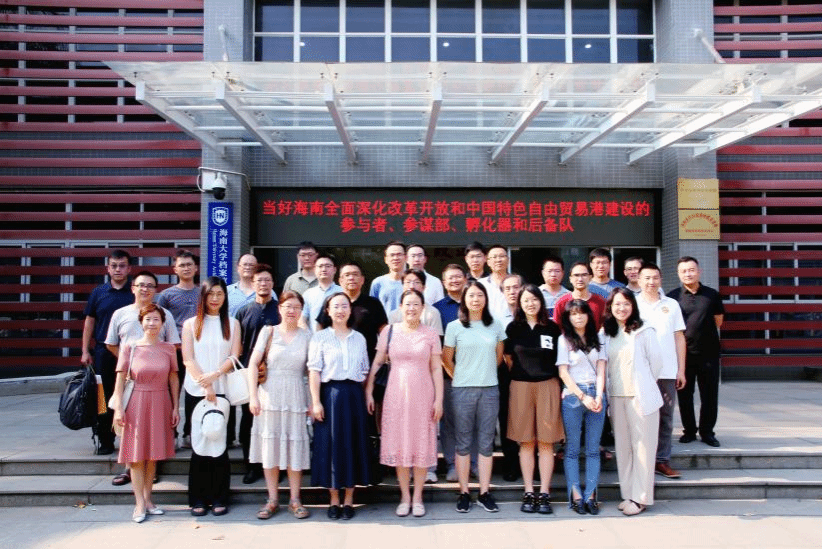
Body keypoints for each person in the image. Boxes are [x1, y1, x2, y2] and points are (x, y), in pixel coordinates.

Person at [365, 289, 444, 518]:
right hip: (396, 394)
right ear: (400, 307)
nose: (411, 308)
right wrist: (369, 390)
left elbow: (436, 368)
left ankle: (418, 497)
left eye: (416, 304)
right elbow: (377, 362)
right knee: (401, 445)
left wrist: (439, 399)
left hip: (423, 394)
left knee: (420, 444)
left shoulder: (430, 334)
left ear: (423, 308)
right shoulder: (389, 331)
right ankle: (405, 497)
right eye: (407, 304)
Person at [105, 270, 180, 486]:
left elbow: (173, 345)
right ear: (133, 288)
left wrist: (151, 362)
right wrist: (131, 363)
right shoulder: (120, 314)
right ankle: (129, 469)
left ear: (156, 290)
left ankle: (150, 471)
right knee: (131, 430)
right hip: (131, 380)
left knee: (154, 429)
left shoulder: (165, 315)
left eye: (149, 285)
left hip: (157, 380)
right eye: (141, 285)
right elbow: (111, 343)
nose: (145, 289)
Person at [111, 304, 179, 523]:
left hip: (161, 400)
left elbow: (173, 378)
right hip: (136, 401)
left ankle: (149, 500)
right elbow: (120, 378)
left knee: (153, 455)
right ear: (141, 322)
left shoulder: (168, 348)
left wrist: (176, 407)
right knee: (137, 456)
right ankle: (139, 503)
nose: (152, 323)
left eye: (156, 319)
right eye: (148, 319)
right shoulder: (130, 347)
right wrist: (118, 407)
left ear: (163, 323)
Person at [247, 291, 311, 520]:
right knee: (270, 446)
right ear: (280, 309)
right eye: (287, 306)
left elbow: (311, 371)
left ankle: (295, 499)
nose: (291, 311)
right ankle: (272, 499)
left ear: (301, 311)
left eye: (296, 307)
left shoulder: (308, 336)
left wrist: (312, 401)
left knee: (295, 445)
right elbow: (253, 364)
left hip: (296, 394)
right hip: (269, 395)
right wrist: (253, 396)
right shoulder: (268, 332)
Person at [442, 280, 506, 514]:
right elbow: (446, 358)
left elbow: (499, 357)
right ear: (464, 300)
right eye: (471, 296)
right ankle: (464, 492)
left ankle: (485, 492)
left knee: (487, 441)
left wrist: (483, 373)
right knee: (463, 441)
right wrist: (461, 376)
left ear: (485, 299)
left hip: (489, 389)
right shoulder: (454, 327)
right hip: (462, 390)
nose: (475, 299)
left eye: (480, 295)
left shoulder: (495, 325)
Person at [181, 276, 242, 517]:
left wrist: (215, 376)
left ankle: (219, 497)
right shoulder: (190, 324)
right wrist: (205, 384)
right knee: (200, 445)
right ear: (203, 296)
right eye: (211, 294)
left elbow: (234, 355)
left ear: (225, 297)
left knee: (219, 444)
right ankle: (197, 498)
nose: (215, 298)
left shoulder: (233, 324)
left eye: (219, 294)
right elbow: (188, 358)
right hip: (196, 391)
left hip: (223, 390)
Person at [308, 292, 372, 520]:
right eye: (335, 306)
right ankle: (334, 499)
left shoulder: (359, 338)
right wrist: (316, 401)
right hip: (330, 395)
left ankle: (349, 500)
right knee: (331, 447)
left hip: (354, 395)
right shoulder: (320, 338)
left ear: (350, 310)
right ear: (327, 310)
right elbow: (314, 371)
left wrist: (365, 395)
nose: (340, 310)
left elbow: (364, 370)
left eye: (344, 306)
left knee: (352, 445)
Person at [602, 287, 663, 517]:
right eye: (617, 304)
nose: (622, 308)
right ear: (610, 307)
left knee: (643, 449)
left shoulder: (644, 330)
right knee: (623, 448)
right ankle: (628, 494)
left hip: (640, 398)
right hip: (616, 397)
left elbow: (656, 364)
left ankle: (641, 498)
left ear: (633, 307)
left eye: (626, 304)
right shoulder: (606, 333)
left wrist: (644, 385)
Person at [504, 284, 563, 514]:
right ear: (520, 303)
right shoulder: (513, 328)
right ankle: (529, 491)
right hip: (520, 386)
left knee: (546, 442)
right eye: (526, 300)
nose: (530, 304)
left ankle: (545, 492)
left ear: (541, 301)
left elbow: (559, 358)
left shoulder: (552, 328)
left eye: (534, 299)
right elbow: (508, 358)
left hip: (548, 385)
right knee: (526, 442)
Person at [667, 256, 725, 448]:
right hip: (683, 355)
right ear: (678, 274)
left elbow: (718, 321)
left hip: (709, 354)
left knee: (709, 395)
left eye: (691, 270)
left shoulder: (712, 295)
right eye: (683, 271)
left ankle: (707, 432)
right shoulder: (672, 297)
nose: (688, 274)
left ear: (699, 271)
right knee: (685, 395)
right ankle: (689, 431)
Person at [81, 249, 133, 456]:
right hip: (103, 352)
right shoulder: (98, 292)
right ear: (108, 268)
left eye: (122, 266)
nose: (118, 269)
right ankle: (105, 439)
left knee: (130, 395)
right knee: (104, 397)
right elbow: (89, 322)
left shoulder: (135, 292)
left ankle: (130, 439)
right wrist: (85, 350)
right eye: (114, 266)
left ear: (129, 268)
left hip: (130, 352)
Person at [556, 299, 607, 515]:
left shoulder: (599, 338)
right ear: (568, 318)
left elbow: (602, 369)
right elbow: (563, 372)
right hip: (573, 396)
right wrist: (582, 396)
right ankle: (576, 495)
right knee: (573, 449)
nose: (578, 317)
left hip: (596, 394)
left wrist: (599, 396)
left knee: (594, 450)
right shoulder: (564, 340)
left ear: (589, 315)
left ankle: (591, 496)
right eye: (573, 314)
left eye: (581, 313)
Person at [636, 262, 686, 479]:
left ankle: (662, 460)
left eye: (655, 277)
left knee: (665, 417)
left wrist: (681, 370)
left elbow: (679, 337)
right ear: (639, 280)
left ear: (661, 279)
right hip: (640, 371)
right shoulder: (632, 304)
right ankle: (642, 460)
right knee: (641, 416)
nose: (651, 282)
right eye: (647, 278)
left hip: (667, 371)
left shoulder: (672, 305)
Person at [234, 264, 282, 484]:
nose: (263, 284)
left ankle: (277, 466)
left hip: (276, 373)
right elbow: (239, 344)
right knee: (249, 421)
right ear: (252, 284)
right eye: (259, 280)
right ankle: (251, 466)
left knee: (275, 421)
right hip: (249, 373)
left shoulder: (280, 310)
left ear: (273, 284)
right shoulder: (243, 311)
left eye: (267, 280)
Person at [433, 264, 476, 482]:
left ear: (465, 278)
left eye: (458, 277)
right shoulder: (437, 309)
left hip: (476, 374)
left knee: (474, 422)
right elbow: (437, 345)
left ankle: (475, 463)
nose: (455, 281)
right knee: (449, 422)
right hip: (448, 374)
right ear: (443, 282)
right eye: (450, 278)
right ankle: (452, 464)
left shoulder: (475, 304)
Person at [156, 249, 199, 449]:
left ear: (196, 268)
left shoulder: (203, 293)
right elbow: (160, 324)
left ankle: (190, 433)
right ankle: (170, 433)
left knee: (194, 393)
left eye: (189, 264)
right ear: (175, 269)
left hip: (197, 352)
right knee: (170, 393)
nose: (186, 268)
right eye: (182, 265)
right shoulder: (166, 295)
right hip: (174, 351)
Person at [498, 274, 523, 481]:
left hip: (531, 375)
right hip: (505, 375)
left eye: (516, 287)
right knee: (507, 419)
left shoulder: (533, 312)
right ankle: (511, 464)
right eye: (508, 288)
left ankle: (532, 464)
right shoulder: (497, 318)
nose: (512, 292)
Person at [387, 269, 444, 337]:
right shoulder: (394, 315)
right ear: (402, 286)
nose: (412, 286)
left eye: (416, 282)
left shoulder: (432, 313)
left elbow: (437, 339)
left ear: (424, 287)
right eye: (408, 282)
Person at [553, 262, 606, 329]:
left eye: (584, 275)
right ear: (570, 279)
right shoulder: (561, 303)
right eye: (576, 275)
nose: (580, 279)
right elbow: (556, 329)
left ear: (590, 278)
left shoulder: (600, 302)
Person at [301, 253, 342, 333]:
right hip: (313, 338)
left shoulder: (342, 292)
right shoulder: (308, 294)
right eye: (320, 266)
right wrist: (309, 337)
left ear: (334, 269)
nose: (324, 269)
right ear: (314, 270)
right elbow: (302, 319)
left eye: (328, 266)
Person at [369, 241, 406, 313]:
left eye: (399, 254)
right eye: (392, 255)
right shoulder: (377, 283)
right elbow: (372, 309)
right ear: (386, 259)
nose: (396, 258)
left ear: (405, 257)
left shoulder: (412, 282)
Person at [477, 244, 510, 321]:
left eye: (502, 256)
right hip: (487, 325)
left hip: (512, 325)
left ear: (508, 260)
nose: (498, 260)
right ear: (488, 262)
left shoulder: (516, 283)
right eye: (494, 257)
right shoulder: (480, 284)